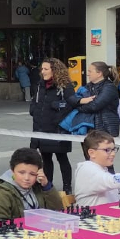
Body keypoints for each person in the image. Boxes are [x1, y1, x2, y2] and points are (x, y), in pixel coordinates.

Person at [30, 58, 76, 193]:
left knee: (62, 157)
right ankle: (47, 186)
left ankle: (67, 187)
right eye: (42, 69)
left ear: (54, 70)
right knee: (46, 158)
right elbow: (35, 101)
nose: (42, 72)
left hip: (58, 128)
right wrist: (33, 109)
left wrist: (58, 109)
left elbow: (71, 104)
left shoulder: (65, 85)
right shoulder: (40, 85)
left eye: (46, 69)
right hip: (41, 127)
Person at [0, 148, 62, 221]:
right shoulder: (2, 194)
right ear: (12, 171)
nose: (27, 178)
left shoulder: (38, 187)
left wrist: (46, 186)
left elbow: (58, 211)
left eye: (32, 174)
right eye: (21, 173)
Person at [77, 61, 120, 137]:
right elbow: (75, 99)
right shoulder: (87, 86)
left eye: (90, 71)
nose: (87, 74)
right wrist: (78, 102)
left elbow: (95, 106)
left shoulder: (109, 87)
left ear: (99, 73)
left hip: (106, 128)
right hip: (89, 127)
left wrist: (78, 106)